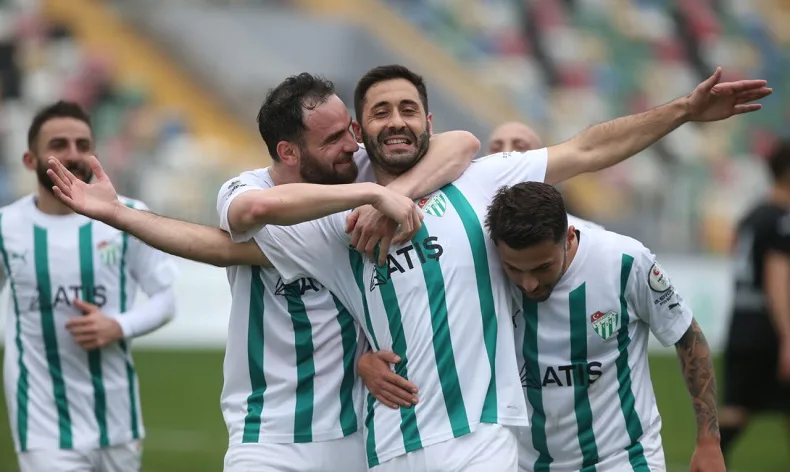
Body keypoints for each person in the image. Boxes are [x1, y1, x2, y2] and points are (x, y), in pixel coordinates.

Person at [49, 64, 770, 471]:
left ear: (427, 121)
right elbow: (224, 242)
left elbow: (586, 149)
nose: (396, 119)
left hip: (484, 438)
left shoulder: (480, 181)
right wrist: (118, 214)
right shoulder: (333, 224)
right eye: (380, 112)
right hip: (390, 446)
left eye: (408, 109)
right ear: (362, 134)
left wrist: (681, 111)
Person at [49, 73, 480, 472]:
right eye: (333, 138)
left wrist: (394, 192)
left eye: (350, 130)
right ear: (288, 152)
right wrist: (117, 213)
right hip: (269, 437)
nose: (352, 145)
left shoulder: (357, 165)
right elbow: (238, 227)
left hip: (358, 435)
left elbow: (461, 143)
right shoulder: (250, 187)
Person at [484, 181, 724, 472]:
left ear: (568, 237)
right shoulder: (484, 272)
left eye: (542, 267)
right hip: (527, 464)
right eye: (514, 269)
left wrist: (709, 441)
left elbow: (688, 336)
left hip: (624, 460)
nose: (529, 283)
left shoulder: (625, 262)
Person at [0, 101, 178, 472]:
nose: (73, 154)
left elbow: (165, 299)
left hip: (118, 419)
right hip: (43, 424)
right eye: (58, 144)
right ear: (30, 160)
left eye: (83, 144)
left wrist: (118, 325)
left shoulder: (128, 216)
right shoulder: (6, 227)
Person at [720, 139, 790, 463]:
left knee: (736, 408)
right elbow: (777, 281)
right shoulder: (781, 220)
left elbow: (736, 253)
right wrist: (787, 337)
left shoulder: (752, 215)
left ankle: (707, 460)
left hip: (742, 322)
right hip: (770, 325)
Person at [486, 120, 603, 231]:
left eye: (520, 147)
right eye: (495, 149)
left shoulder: (585, 232)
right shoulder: (474, 219)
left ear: (545, 162)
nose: (505, 153)